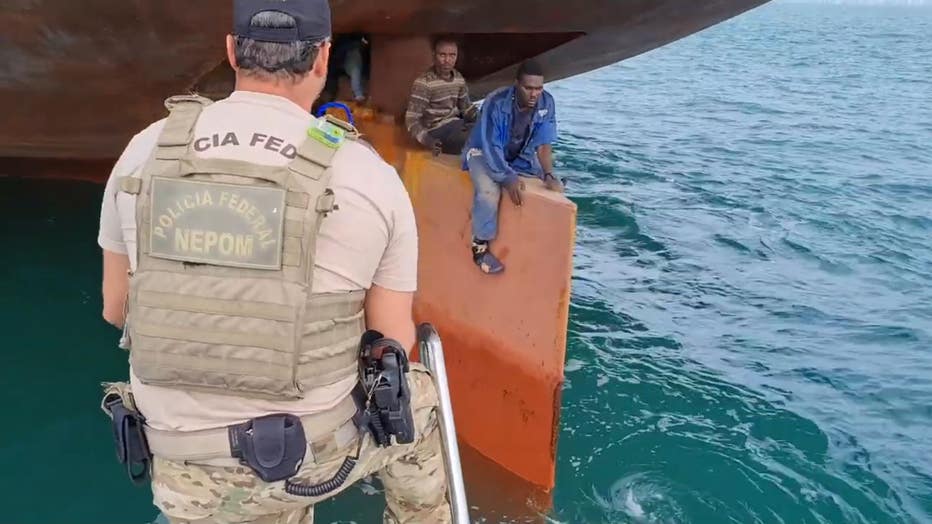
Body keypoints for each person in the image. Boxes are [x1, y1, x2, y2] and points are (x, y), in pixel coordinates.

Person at [96, 1, 451, 522]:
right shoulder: (366, 174)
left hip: (178, 464)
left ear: (232, 50)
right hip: (308, 457)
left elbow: (115, 308)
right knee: (421, 398)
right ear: (323, 58)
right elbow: (392, 342)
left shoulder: (146, 149)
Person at [462, 60, 563, 274]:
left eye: (538, 88)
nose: (534, 94)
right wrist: (507, 177)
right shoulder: (495, 102)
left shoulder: (547, 102)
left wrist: (548, 173)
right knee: (489, 191)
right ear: (516, 84)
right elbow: (491, 145)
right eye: (528, 88)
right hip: (482, 152)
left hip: (518, 155)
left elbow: (544, 144)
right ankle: (480, 245)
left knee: (552, 185)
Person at [404, 36, 477, 155]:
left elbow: (467, 108)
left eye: (452, 55)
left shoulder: (458, 78)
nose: (447, 60)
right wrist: (427, 141)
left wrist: (484, 120)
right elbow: (411, 119)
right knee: (476, 140)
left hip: (456, 125)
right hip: (436, 131)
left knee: (490, 132)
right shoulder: (424, 83)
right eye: (442, 55)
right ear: (434, 56)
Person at [322, 33, 369, 103]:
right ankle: (359, 96)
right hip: (342, 65)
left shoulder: (351, 47)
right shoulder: (349, 46)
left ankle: (359, 96)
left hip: (343, 65)